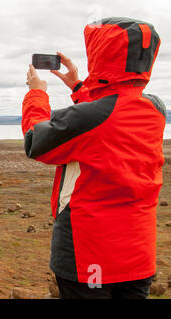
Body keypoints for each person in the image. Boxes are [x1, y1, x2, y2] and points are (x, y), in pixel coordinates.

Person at [22, 17, 165, 299]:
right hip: (138, 256)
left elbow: (35, 142)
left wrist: (37, 95)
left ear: (102, 55)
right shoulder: (156, 109)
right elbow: (108, 116)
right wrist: (78, 86)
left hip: (87, 256)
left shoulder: (90, 118)